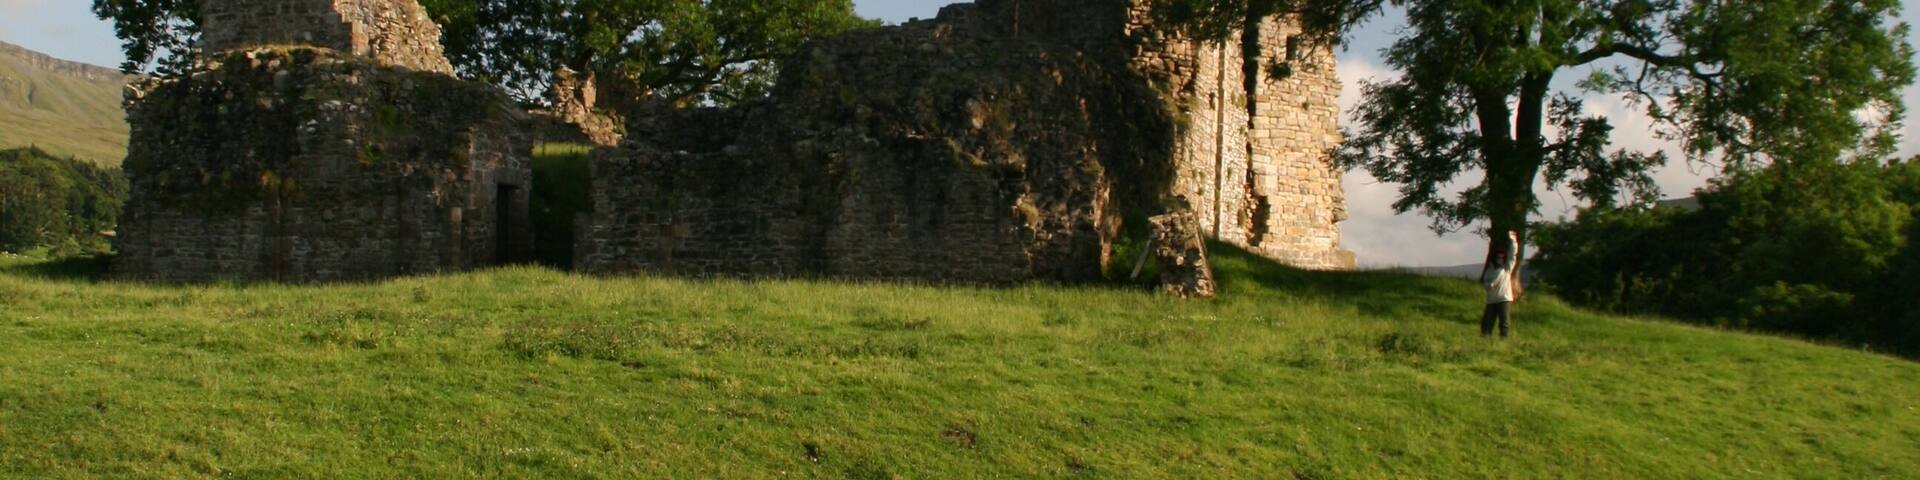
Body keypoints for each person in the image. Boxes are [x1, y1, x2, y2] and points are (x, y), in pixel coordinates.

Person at [1480, 231, 1521, 338]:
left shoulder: (1507, 268)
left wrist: (1513, 240)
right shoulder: (1490, 270)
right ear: (1495, 258)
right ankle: (1485, 338)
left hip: (1504, 299)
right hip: (1492, 300)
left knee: (1504, 321)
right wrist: (1489, 285)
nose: (1500, 259)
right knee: (1487, 322)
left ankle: (1503, 340)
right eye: (1498, 257)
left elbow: (1513, 255)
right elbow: (1485, 282)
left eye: (1502, 258)